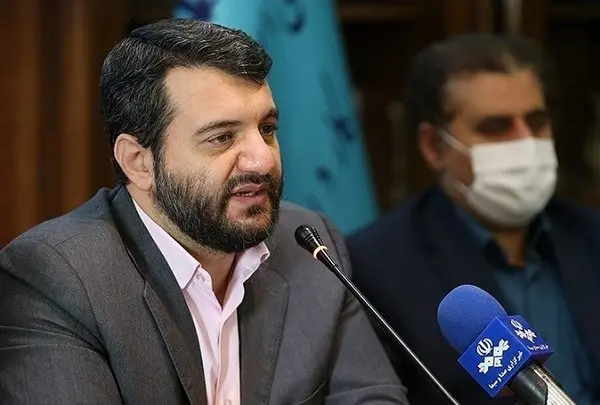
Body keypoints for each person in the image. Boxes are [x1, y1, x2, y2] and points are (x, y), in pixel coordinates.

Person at [0, 19, 409, 405]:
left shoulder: (308, 243)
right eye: (222, 137)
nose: (262, 160)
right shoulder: (57, 276)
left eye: (267, 129)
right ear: (138, 162)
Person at [347, 33, 600, 405]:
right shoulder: (376, 267)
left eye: (536, 122)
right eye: (496, 127)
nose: (525, 142)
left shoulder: (591, 235)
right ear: (434, 146)